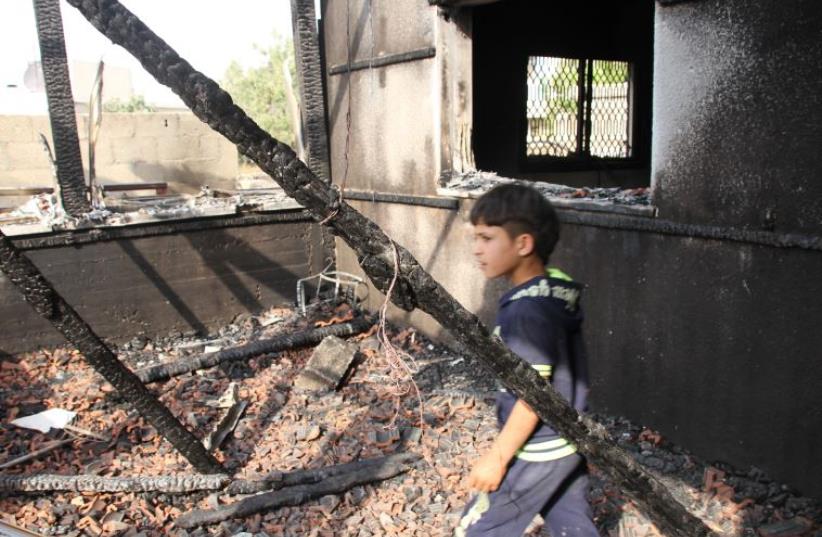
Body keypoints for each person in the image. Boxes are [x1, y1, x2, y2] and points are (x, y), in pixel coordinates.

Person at [455, 183, 598, 537]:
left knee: (477, 529)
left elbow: (532, 397)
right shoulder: (554, 291)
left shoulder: (526, 312)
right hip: (569, 439)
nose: (477, 249)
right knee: (572, 525)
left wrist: (498, 458)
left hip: (539, 447)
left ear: (523, 244)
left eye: (487, 238)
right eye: (475, 238)